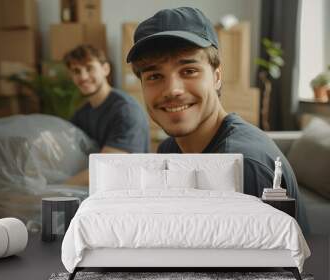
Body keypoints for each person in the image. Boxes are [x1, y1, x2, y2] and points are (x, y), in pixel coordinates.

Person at [126, 7, 298, 198]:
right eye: (155, 76)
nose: (172, 89)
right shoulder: (171, 149)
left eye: (189, 71)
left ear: (216, 77)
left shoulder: (242, 166)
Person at [63, 44, 150, 186]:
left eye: (89, 68)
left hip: (129, 195)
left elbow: (106, 169)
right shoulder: (81, 114)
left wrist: (54, 189)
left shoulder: (125, 110)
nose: (83, 76)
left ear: (105, 69)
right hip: (97, 193)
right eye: (76, 71)